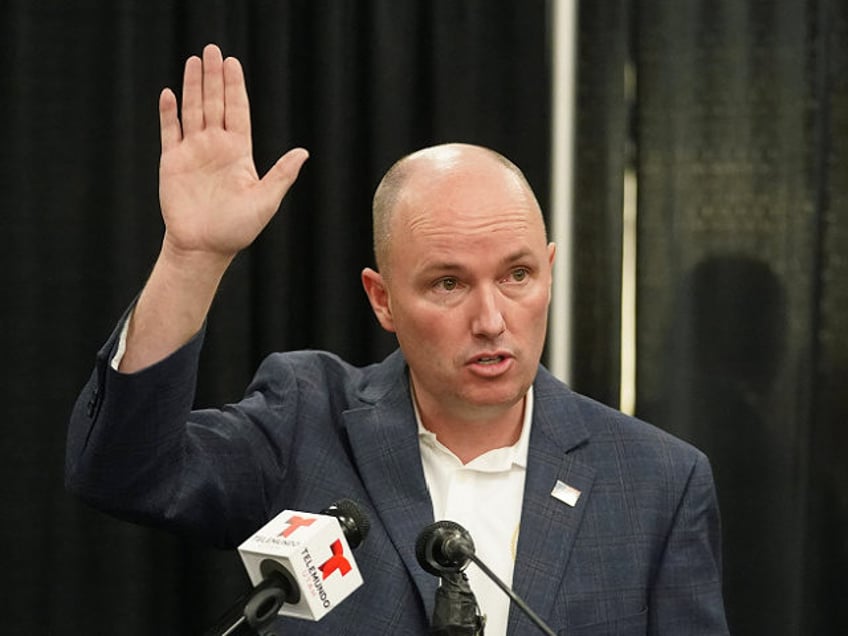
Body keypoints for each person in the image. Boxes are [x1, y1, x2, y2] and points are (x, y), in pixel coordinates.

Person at [66, 44, 729, 635]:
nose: (492, 319)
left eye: (518, 276)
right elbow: (125, 475)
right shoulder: (305, 421)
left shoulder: (658, 482)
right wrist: (193, 257)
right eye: (448, 284)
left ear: (549, 274)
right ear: (382, 299)